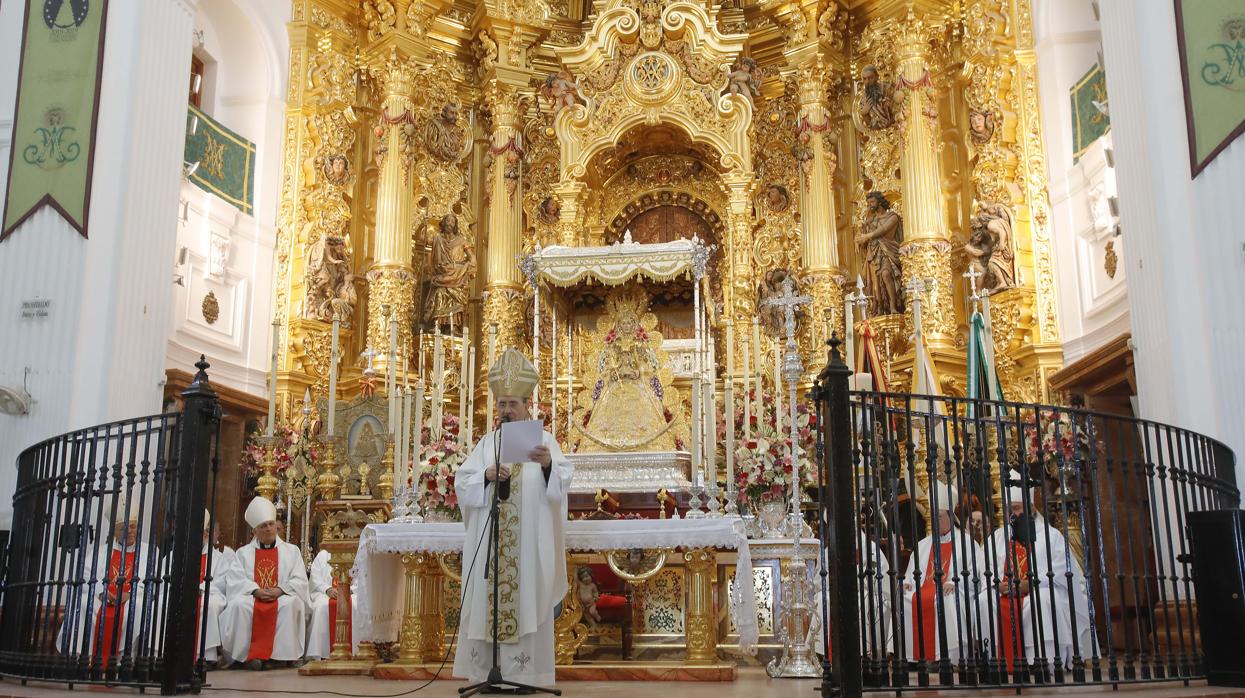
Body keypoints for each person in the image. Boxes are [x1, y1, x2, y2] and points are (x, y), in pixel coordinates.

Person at [452, 348, 574, 688]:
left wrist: (548, 465)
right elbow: (463, 482)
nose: (506, 410)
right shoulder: (486, 443)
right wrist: (486, 476)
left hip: (527, 549)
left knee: (528, 601)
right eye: (502, 404)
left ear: (527, 406)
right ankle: (490, 674)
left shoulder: (545, 442)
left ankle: (525, 674)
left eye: (513, 404)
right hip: (491, 548)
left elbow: (563, 481)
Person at [978, 470, 1094, 671]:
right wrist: (997, 584)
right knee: (983, 600)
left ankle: (1041, 660)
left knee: (1041, 600)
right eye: (1007, 510)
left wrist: (1029, 584)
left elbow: (1060, 570)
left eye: (1015, 509)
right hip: (1005, 591)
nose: (1010, 514)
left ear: (1030, 508)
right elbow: (984, 570)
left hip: (1040, 589)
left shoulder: (1051, 536)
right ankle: (995, 659)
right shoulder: (997, 538)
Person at [220, 497, 311, 670]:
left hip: (281, 596)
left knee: (291, 604)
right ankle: (247, 657)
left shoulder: (292, 551)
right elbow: (235, 580)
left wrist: (280, 589)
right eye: (263, 526)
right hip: (253, 597)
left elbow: (299, 580)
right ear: (255, 531)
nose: (269, 528)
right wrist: (255, 590)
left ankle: (278, 658)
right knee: (239, 605)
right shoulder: (243, 553)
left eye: (271, 524)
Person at [902, 483, 987, 663]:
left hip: (954, 590)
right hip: (926, 589)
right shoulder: (923, 545)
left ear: (950, 516)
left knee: (947, 598)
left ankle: (949, 656)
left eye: (939, 516)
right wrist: (908, 582)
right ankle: (913, 657)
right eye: (932, 516)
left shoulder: (966, 543)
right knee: (906, 597)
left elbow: (976, 574)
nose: (935, 520)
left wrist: (956, 583)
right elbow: (912, 572)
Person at [58, 498, 151, 663]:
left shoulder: (150, 552)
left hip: (131, 600)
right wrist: (101, 592)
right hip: (104, 599)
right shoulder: (100, 552)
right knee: (82, 601)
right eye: (124, 528)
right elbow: (86, 576)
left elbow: (153, 579)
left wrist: (130, 594)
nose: (129, 531)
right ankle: (79, 658)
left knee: (138, 606)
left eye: (133, 526)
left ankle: (125, 659)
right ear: (115, 531)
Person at [305, 548, 354, 660]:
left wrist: (350, 590)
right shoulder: (323, 555)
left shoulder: (357, 553)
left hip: (350, 592)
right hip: (325, 593)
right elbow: (315, 578)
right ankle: (320, 652)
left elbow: (362, 578)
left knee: (355, 606)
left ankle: (353, 651)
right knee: (321, 607)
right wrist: (327, 589)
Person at [199, 511, 233, 666]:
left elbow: (222, 583)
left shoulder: (219, 558)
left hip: (209, 593)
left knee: (211, 605)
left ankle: (207, 655)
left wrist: (200, 589)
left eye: (205, 532)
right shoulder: (175, 555)